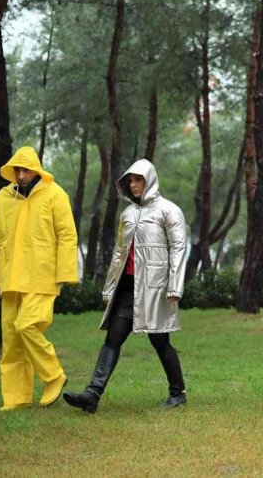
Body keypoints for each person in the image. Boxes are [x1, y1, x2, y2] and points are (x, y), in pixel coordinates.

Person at [63, 159, 188, 413]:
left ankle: (178, 393)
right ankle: (92, 393)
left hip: (155, 288)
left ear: (150, 180)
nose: (133, 185)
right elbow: (119, 253)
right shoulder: (127, 214)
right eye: (130, 181)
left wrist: (175, 286)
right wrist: (109, 288)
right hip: (127, 288)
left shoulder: (169, 210)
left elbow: (178, 248)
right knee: (113, 338)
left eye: (138, 180)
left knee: (160, 340)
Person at [0, 146, 78, 410]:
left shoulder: (55, 194)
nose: (21, 175)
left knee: (26, 326)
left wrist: (65, 274)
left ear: (36, 169)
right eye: (17, 170)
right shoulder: (3, 198)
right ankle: (16, 398)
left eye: (25, 170)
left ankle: (54, 375)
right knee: (12, 340)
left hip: (41, 277)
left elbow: (67, 235)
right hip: (10, 278)